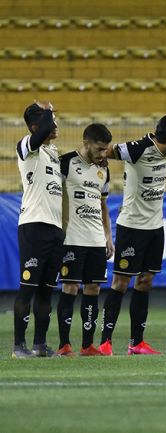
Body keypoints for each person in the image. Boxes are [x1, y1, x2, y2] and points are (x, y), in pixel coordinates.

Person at [98, 115, 166, 355]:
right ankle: (105, 342)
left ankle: (136, 343)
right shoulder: (137, 149)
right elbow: (105, 151)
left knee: (145, 281)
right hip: (131, 227)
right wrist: (99, 166)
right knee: (120, 282)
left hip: (155, 228)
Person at [55, 123, 114, 357]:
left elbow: (103, 206)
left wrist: (108, 237)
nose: (103, 154)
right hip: (72, 238)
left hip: (96, 240)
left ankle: (87, 345)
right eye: (99, 149)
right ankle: (64, 345)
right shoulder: (65, 162)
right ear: (86, 143)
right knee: (70, 287)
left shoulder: (104, 170)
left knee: (93, 289)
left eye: (106, 149)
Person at [12, 101, 63, 358]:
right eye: (50, 120)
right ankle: (18, 346)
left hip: (54, 228)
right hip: (34, 226)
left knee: (46, 291)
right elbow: (40, 134)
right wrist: (48, 112)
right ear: (36, 126)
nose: (55, 124)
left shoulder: (53, 154)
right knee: (27, 287)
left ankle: (40, 344)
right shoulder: (26, 147)